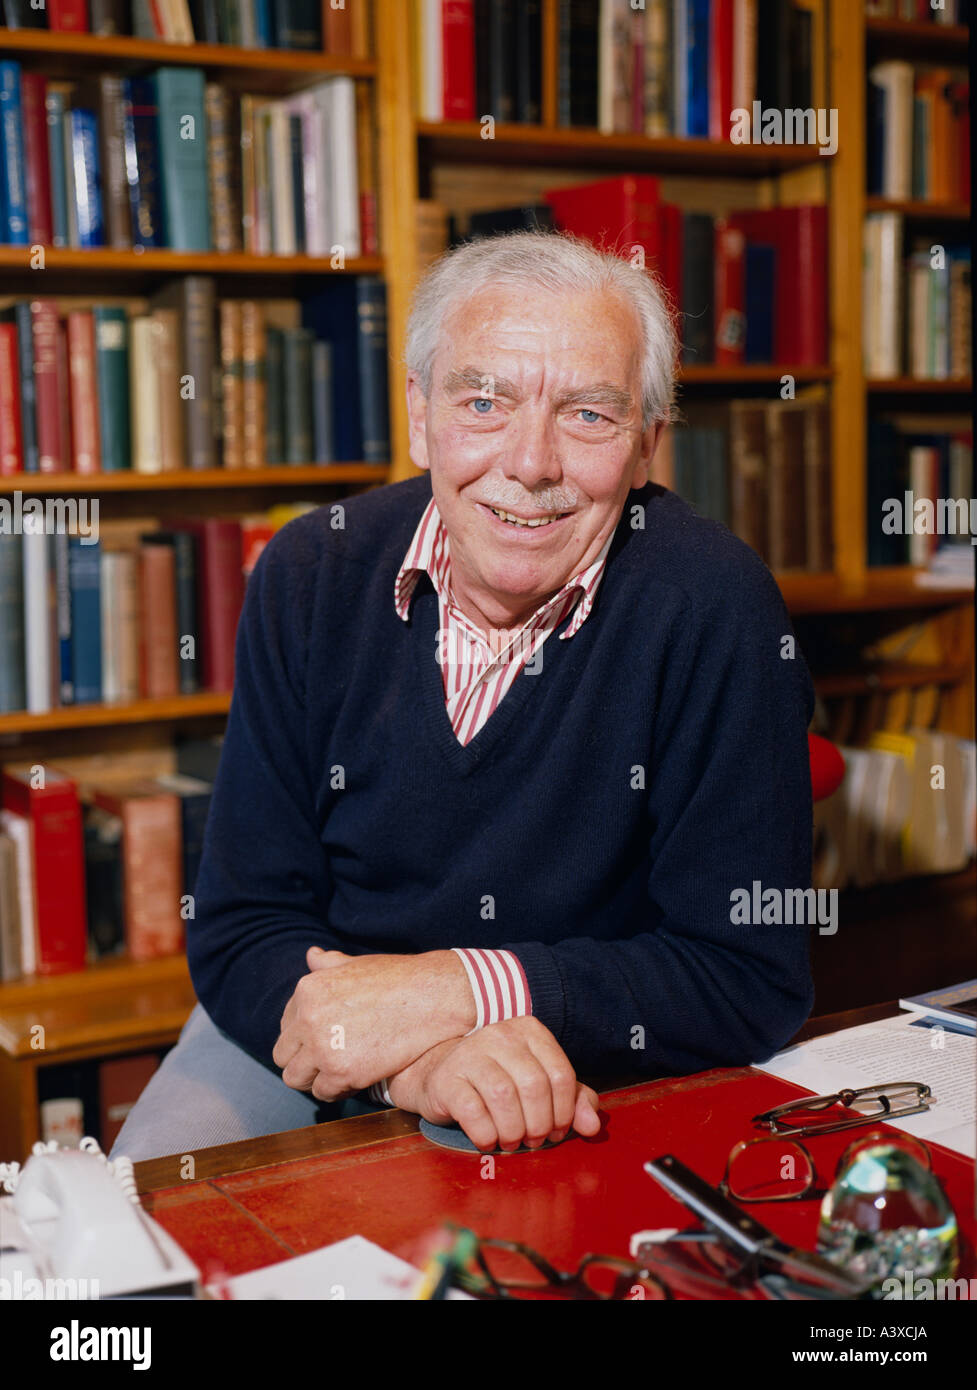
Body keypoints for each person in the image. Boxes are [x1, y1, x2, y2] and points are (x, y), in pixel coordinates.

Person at [113, 231, 815, 1163]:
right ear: (418, 414)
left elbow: (745, 976)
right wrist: (415, 1065)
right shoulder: (309, 570)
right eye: (483, 400)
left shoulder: (715, 605)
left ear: (647, 444)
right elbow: (243, 923)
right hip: (317, 1021)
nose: (530, 463)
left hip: (584, 1053)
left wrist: (457, 991)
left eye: (588, 416)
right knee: (145, 1243)